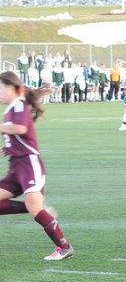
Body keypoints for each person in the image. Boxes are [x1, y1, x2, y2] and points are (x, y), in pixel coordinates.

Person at [0, 71, 74, 261]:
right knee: (33, 207)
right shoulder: (12, 107)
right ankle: (37, 208)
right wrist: (9, 147)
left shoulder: (19, 104)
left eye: (0, 88)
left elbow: (21, 128)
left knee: (34, 207)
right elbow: (19, 133)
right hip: (16, 166)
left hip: (29, 164)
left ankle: (64, 248)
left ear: (10, 88)